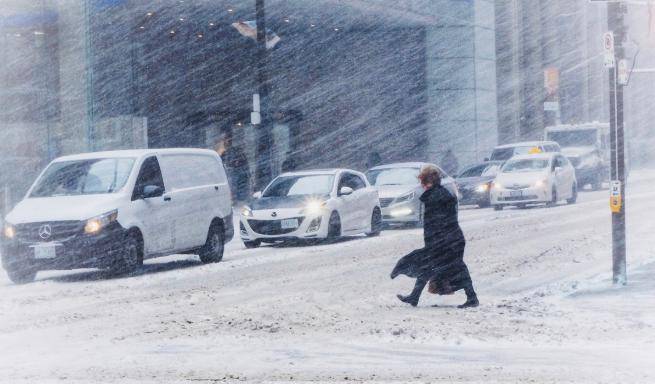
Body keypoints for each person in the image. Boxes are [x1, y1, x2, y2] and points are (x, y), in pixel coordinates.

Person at [391, 164, 479, 308]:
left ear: (428, 181)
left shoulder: (436, 196)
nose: (421, 185)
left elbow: (437, 222)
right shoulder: (439, 194)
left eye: (422, 181)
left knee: (455, 268)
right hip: (448, 239)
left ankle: (472, 298)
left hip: (446, 241)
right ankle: (414, 297)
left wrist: (437, 241)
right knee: (429, 265)